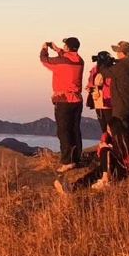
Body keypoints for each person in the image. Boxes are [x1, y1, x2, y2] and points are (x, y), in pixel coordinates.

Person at [40, 37, 85, 172]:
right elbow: (67, 57)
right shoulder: (80, 61)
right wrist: (57, 49)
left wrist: (44, 49)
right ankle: (76, 159)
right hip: (77, 100)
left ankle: (67, 161)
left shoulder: (60, 61)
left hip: (64, 100)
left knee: (63, 131)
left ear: (67, 47)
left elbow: (44, 60)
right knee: (75, 130)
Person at [102, 41, 129, 129]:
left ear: (123, 53)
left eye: (118, 51)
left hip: (121, 100)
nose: (117, 53)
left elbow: (105, 73)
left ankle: (120, 142)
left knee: (118, 125)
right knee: (126, 125)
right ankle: (127, 141)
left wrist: (103, 63)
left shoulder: (121, 66)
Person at [85, 50, 115, 134]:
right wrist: (90, 88)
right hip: (98, 100)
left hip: (107, 100)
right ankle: (107, 142)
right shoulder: (95, 70)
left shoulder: (111, 70)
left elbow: (111, 85)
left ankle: (111, 143)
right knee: (104, 126)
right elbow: (91, 82)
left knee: (109, 126)